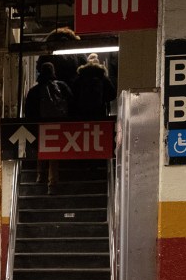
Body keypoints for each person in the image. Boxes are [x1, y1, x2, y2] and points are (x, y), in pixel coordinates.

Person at [24, 61, 72, 193]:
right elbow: (71, 101)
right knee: (53, 153)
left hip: (40, 125)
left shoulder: (34, 90)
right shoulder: (61, 86)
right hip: (57, 125)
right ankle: (52, 184)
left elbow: (28, 110)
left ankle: (39, 175)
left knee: (41, 149)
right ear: (53, 72)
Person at [70, 53, 117, 118]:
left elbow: (73, 95)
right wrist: (102, 99)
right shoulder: (102, 77)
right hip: (99, 112)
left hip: (81, 113)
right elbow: (112, 95)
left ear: (87, 63)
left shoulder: (80, 77)